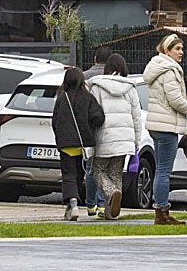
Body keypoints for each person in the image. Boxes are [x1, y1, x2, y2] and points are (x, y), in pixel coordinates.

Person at [143, 33, 187, 226]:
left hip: (159, 124)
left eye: (182, 49)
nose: (181, 52)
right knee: (164, 170)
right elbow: (176, 101)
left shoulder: (158, 67)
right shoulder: (169, 70)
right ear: (166, 50)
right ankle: (161, 212)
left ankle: (161, 211)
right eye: (177, 49)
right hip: (166, 125)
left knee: (161, 169)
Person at [87, 53, 145, 220]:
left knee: (98, 170)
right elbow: (136, 116)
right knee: (116, 172)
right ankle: (111, 213)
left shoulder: (96, 86)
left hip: (103, 136)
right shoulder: (131, 88)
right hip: (125, 138)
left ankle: (113, 193)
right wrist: (136, 141)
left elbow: (93, 113)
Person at [51, 67, 105, 221]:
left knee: (69, 175)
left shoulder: (62, 98)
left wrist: (60, 137)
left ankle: (73, 204)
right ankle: (75, 204)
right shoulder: (88, 98)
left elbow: (55, 121)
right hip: (83, 145)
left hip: (66, 144)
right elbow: (99, 118)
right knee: (79, 175)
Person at [81, 45, 113, 215]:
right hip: (108, 127)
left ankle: (90, 204)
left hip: (89, 127)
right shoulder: (113, 79)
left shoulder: (85, 77)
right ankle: (102, 204)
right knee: (104, 169)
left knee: (90, 168)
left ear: (95, 59)